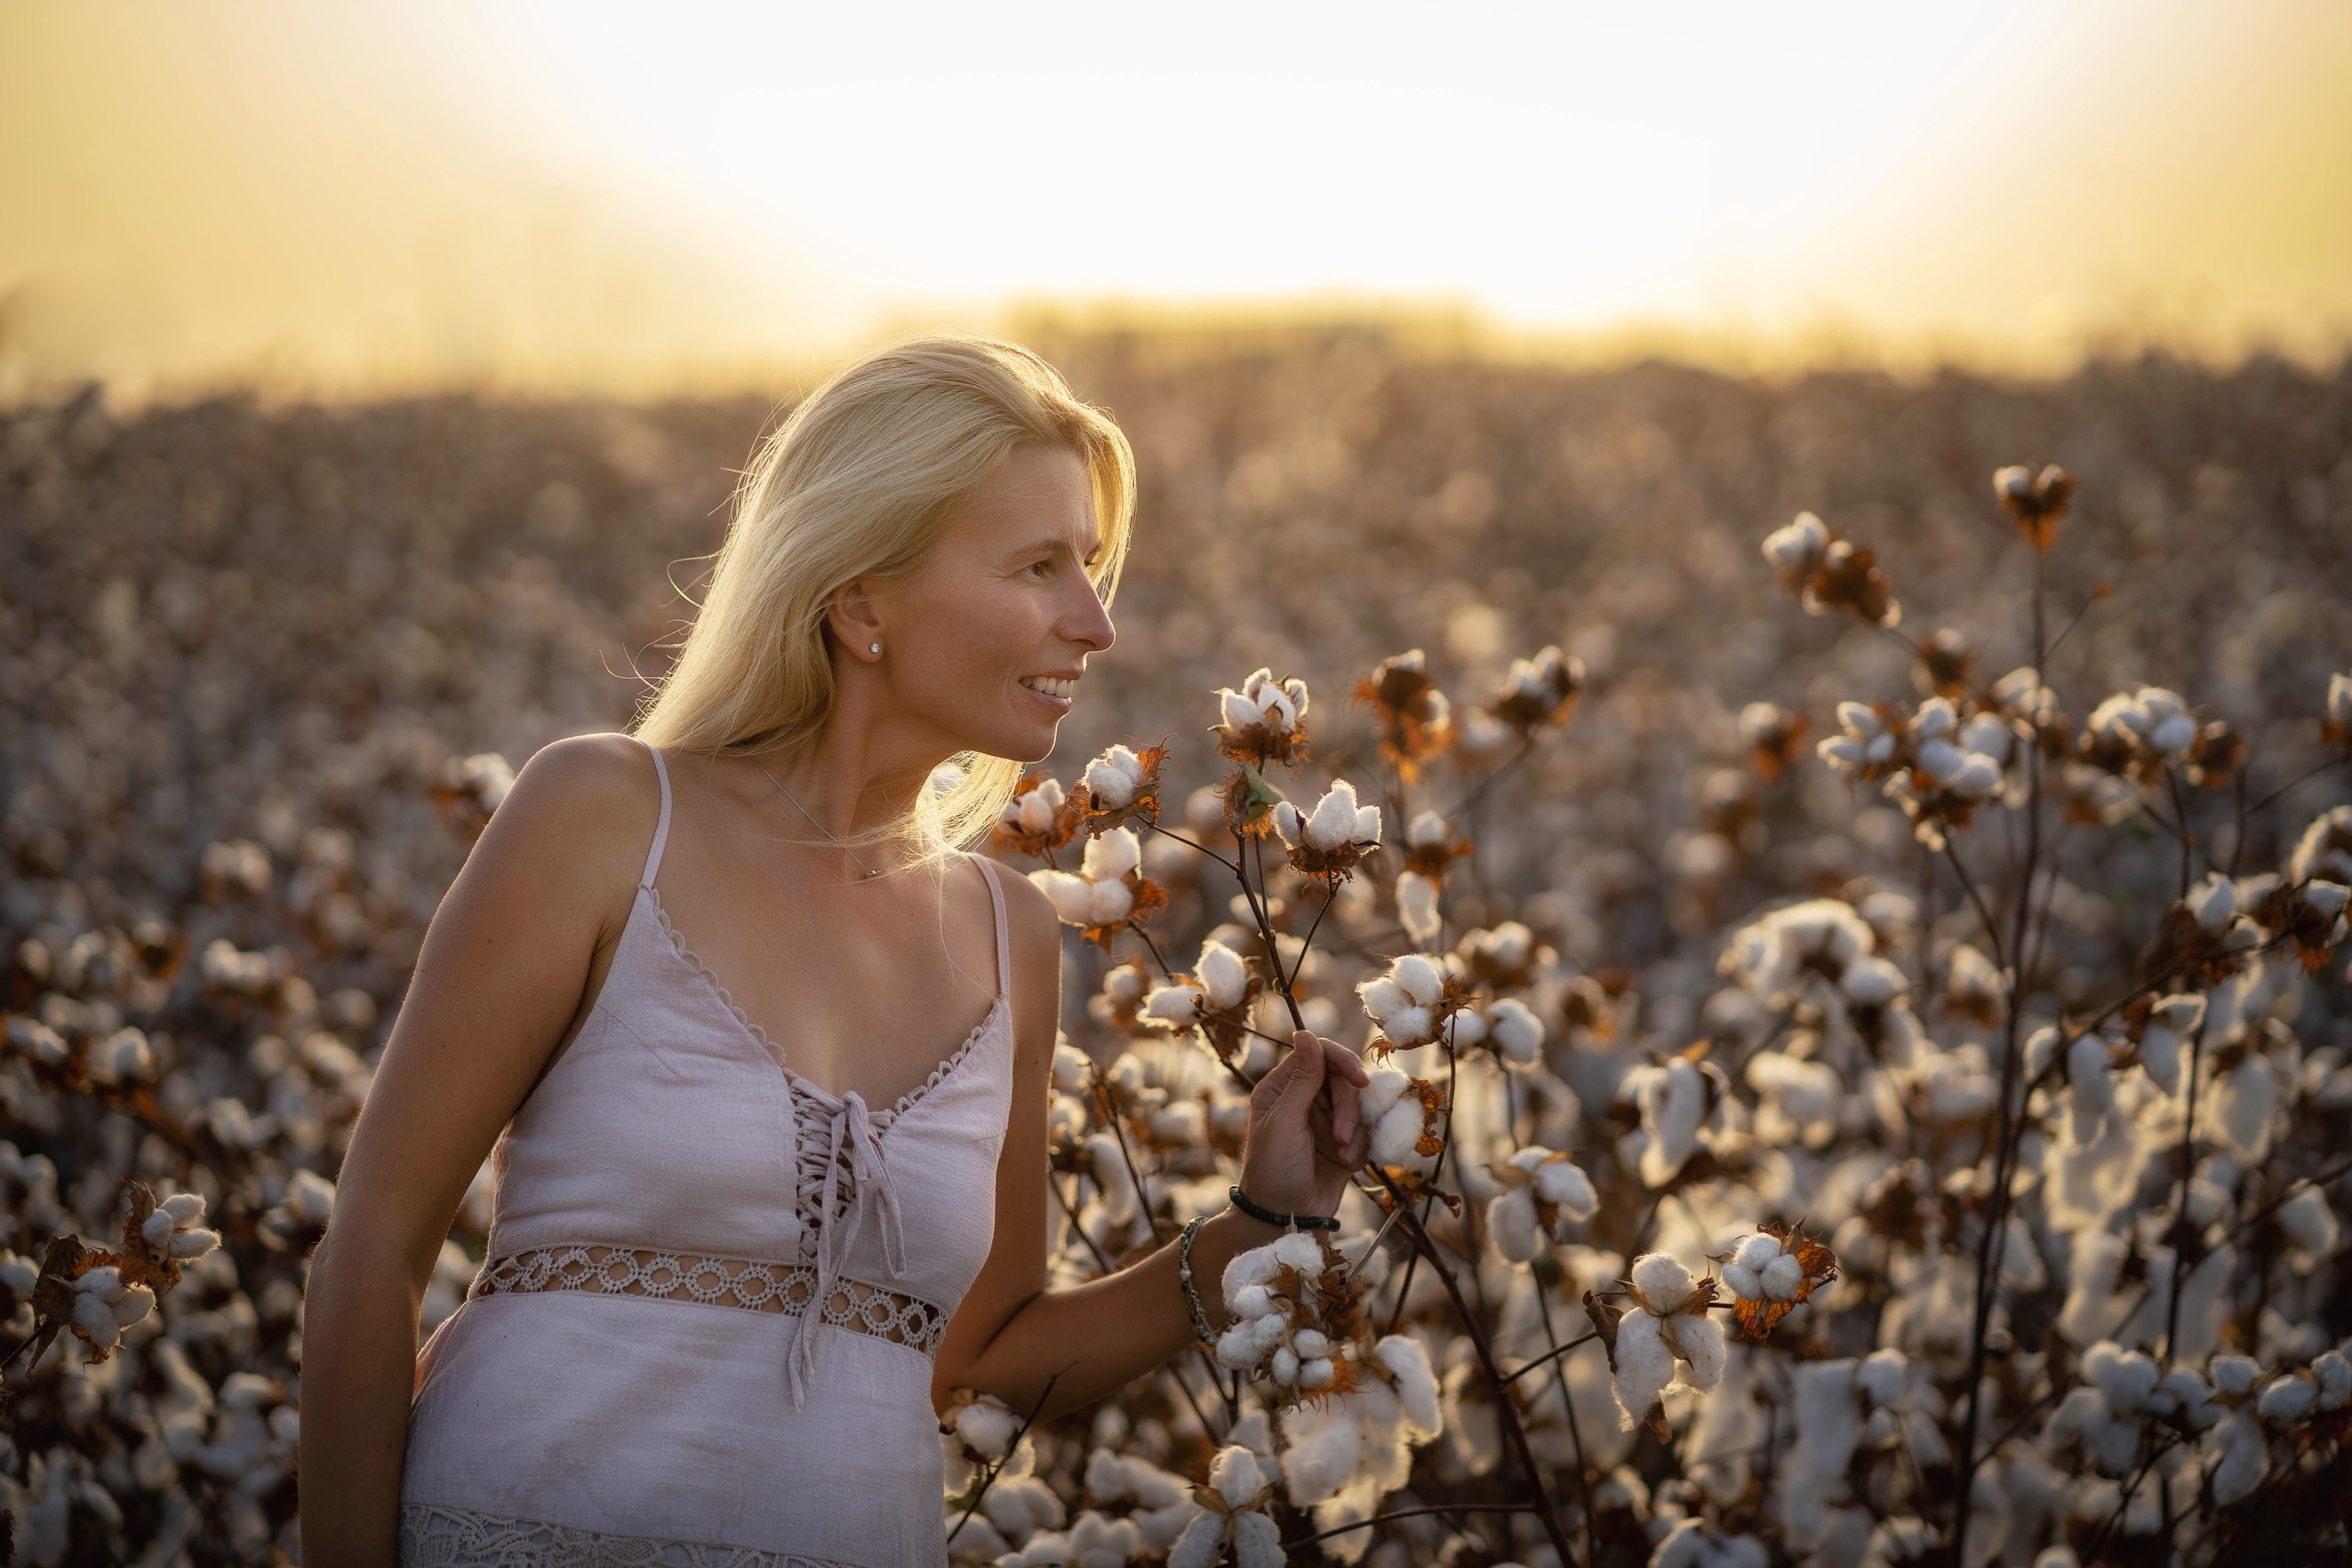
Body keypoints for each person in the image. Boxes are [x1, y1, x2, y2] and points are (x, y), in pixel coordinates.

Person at [299, 334, 1373, 1565]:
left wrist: (1256, 1226)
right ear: (861, 601)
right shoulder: (602, 819)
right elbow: (371, 1256)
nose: (1097, 623)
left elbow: (982, 1354)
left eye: (1090, 564)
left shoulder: (1014, 937)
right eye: (1038, 566)